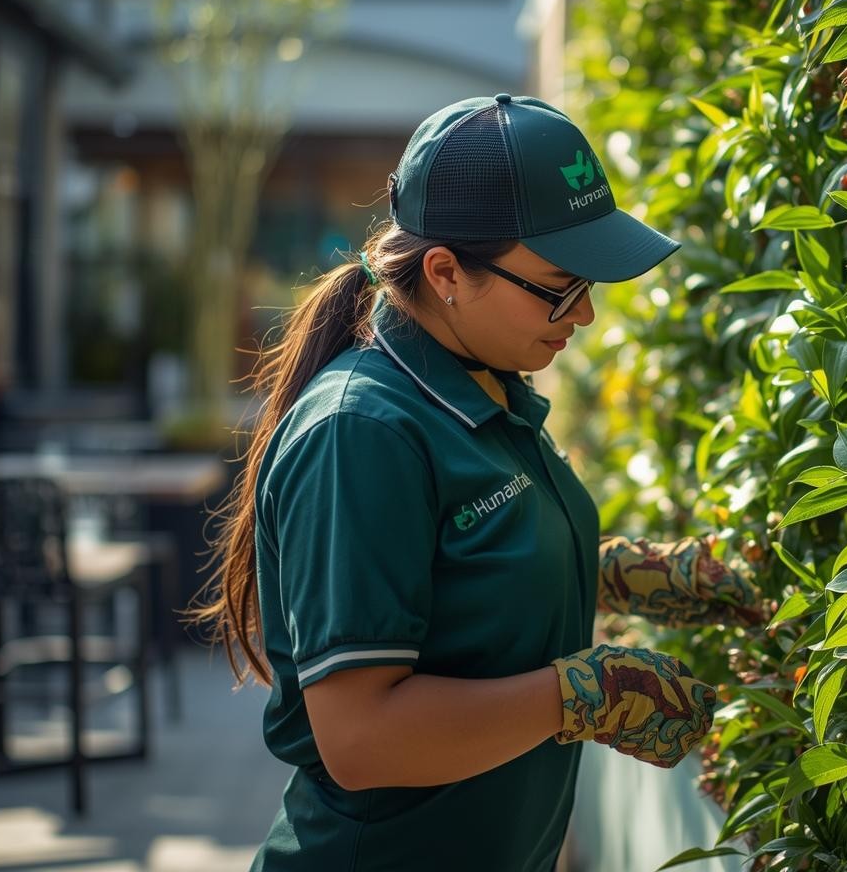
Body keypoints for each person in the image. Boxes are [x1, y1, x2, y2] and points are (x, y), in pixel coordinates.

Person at [190, 93, 766, 872]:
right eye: (561, 284)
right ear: (446, 272)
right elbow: (361, 738)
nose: (586, 314)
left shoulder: (487, 387)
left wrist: (625, 574)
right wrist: (580, 696)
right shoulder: (362, 433)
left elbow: (466, 575)